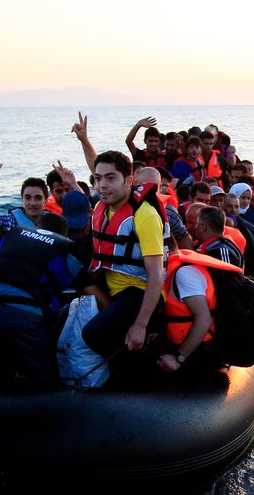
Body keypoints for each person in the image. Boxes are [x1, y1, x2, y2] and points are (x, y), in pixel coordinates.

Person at [0, 212, 96, 390]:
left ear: (36, 228)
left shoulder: (11, 233)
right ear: (64, 235)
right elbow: (93, 293)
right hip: (24, 317)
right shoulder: (65, 251)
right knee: (45, 383)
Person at [82, 150, 168, 373]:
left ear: (128, 181)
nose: (102, 185)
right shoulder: (103, 207)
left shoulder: (145, 216)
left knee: (93, 334)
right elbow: (97, 166)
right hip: (113, 284)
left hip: (138, 289)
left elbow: (156, 275)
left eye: (110, 178)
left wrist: (140, 325)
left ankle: (137, 373)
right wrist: (84, 141)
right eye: (98, 178)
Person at [157, 247, 241, 374]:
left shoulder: (185, 274)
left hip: (201, 350)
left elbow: (204, 320)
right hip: (200, 345)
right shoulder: (184, 267)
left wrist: (178, 358)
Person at [190, 204, 244, 268]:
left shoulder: (221, 251)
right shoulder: (207, 246)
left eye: (196, 224)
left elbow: (228, 277)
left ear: (202, 227)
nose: (193, 227)